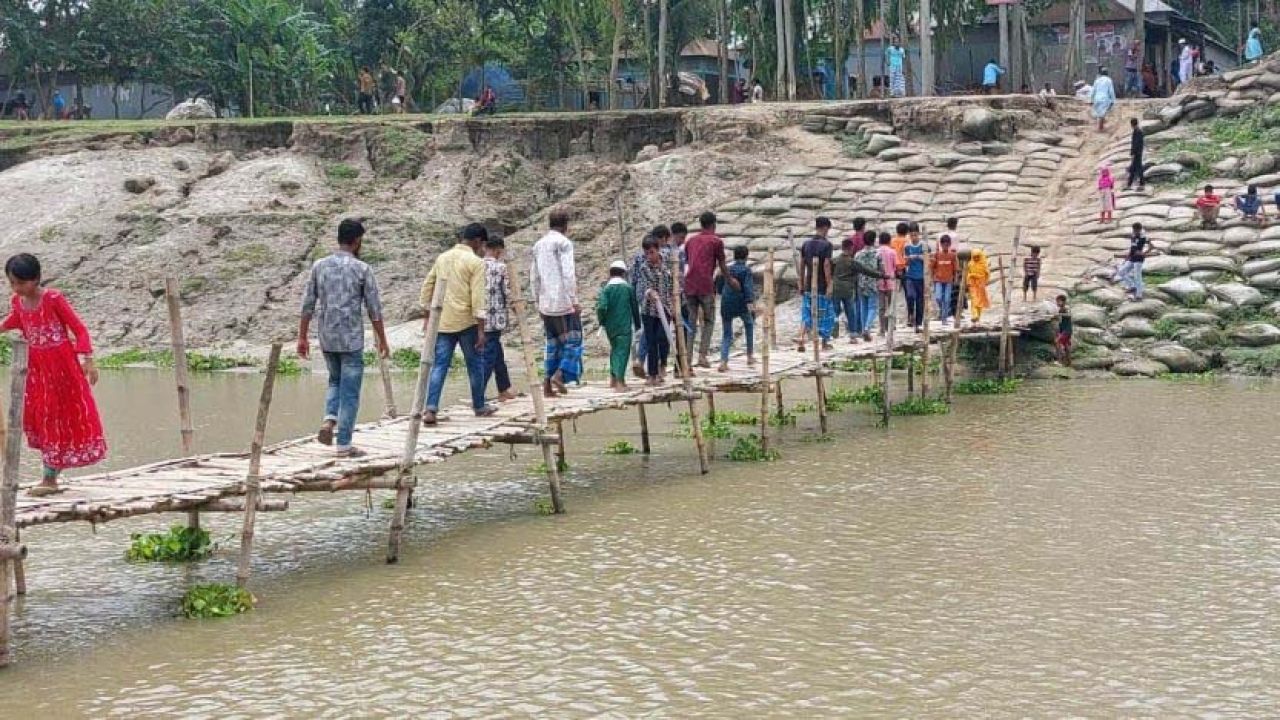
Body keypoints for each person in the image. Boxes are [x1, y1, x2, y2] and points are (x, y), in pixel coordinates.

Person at [2, 254, 106, 496]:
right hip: (37, 371)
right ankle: (50, 476)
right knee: (43, 418)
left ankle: (49, 479)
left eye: (21, 283)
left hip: (62, 369)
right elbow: (15, 320)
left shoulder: (53, 299)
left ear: (36, 279)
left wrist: (88, 360)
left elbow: (79, 329)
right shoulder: (18, 302)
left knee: (60, 418)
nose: (17, 288)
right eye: (12, 283)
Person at [299, 219, 389, 457]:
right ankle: (344, 444)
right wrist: (382, 339)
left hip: (327, 337)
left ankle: (329, 419)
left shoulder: (319, 266)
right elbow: (374, 310)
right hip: (351, 340)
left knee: (334, 381)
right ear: (357, 240)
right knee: (349, 392)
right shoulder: (362, 269)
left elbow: (307, 304)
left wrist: (302, 338)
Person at [420, 223, 494, 425]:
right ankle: (479, 406)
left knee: (440, 365)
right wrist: (481, 328)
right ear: (478, 241)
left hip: (443, 321)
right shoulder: (476, 262)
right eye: (482, 244)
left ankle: (431, 408)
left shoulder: (442, 258)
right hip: (467, 322)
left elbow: (428, 285)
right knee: (475, 365)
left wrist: (427, 313)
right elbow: (478, 298)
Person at [531, 210, 582, 396]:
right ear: (565, 225)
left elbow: (534, 277)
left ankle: (547, 385)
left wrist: (537, 301)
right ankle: (560, 376)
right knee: (574, 341)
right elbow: (568, 273)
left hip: (546, 302)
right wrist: (574, 300)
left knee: (552, 344)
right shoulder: (564, 243)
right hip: (562, 301)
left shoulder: (538, 245)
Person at [683, 211, 736, 368]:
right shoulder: (716, 241)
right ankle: (702, 356)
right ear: (714, 224)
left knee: (690, 323)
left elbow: (688, 262)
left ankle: (687, 359)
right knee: (709, 320)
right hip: (705, 285)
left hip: (689, 285)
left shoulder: (690, 241)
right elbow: (722, 264)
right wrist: (730, 280)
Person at [630, 225, 671, 377]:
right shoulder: (643, 267)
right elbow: (640, 283)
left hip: (665, 307)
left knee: (663, 336)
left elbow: (674, 282)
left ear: (658, 249)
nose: (649, 256)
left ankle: (663, 364)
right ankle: (652, 374)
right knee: (651, 340)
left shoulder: (668, 261)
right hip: (648, 308)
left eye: (652, 252)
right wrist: (646, 294)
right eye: (646, 253)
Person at [481, 235, 517, 403]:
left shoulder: (476, 266)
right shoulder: (501, 268)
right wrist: (516, 307)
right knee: (490, 354)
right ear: (498, 250)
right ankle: (478, 391)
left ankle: (504, 388)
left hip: (480, 317)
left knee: (496, 352)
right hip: (496, 318)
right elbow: (507, 291)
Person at [596, 260, 640, 391]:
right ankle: (620, 382)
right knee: (622, 352)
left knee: (614, 350)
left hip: (610, 327)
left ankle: (613, 379)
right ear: (623, 273)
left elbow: (601, 307)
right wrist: (637, 324)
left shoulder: (606, 289)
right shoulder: (627, 288)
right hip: (624, 326)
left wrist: (602, 321)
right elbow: (634, 307)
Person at [798, 217, 836, 351]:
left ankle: (801, 338)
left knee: (806, 312)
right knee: (826, 313)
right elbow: (826, 265)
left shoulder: (806, 244)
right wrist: (829, 284)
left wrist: (801, 283)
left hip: (809, 284)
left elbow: (802, 265)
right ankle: (824, 342)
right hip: (821, 286)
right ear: (825, 227)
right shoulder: (827, 245)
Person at [718, 245, 755, 371]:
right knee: (749, 324)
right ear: (746, 256)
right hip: (740, 303)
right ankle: (750, 355)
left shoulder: (727, 270)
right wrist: (750, 302)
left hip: (726, 302)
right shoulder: (746, 271)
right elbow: (748, 288)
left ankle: (723, 361)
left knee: (727, 334)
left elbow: (719, 285)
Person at [853, 230, 886, 341]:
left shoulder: (858, 254)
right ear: (874, 240)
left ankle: (863, 330)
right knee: (873, 307)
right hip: (872, 283)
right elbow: (882, 269)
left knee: (863, 307)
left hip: (861, 283)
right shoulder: (877, 254)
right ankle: (867, 328)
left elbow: (855, 269)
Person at [832, 238, 860, 341]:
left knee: (835, 310)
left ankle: (834, 326)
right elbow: (866, 270)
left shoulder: (835, 260)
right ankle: (852, 334)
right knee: (850, 312)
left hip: (836, 288)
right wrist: (882, 275)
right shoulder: (852, 262)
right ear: (851, 248)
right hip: (848, 290)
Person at [1115, 222, 1152, 300]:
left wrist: (1144, 253)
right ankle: (1132, 286)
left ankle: (1139, 295)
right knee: (1121, 271)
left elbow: (1152, 246)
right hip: (1132, 257)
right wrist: (1127, 257)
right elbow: (1132, 248)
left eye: (1137, 230)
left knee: (1137, 276)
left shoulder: (1144, 237)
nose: (1135, 232)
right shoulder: (1133, 236)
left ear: (1140, 229)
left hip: (1139, 259)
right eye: (1134, 230)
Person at [930, 235, 958, 326]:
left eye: (947, 244)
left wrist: (955, 278)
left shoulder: (952, 255)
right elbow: (932, 267)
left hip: (949, 280)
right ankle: (942, 310)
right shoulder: (937, 255)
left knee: (946, 299)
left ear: (949, 244)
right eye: (943, 244)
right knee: (938, 297)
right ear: (941, 244)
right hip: (938, 280)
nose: (945, 246)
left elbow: (955, 269)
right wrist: (931, 277)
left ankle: (944, 318)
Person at [875, 232, 899, 334]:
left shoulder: (876, 252)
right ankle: (891, 325)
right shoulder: (892, 252)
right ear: (889, 241)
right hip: (891, 280)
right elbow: (896, 266)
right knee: (891, 305)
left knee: (881, 307)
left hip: (880, 281)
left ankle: (882, 328)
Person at [903, 230, 927, 331]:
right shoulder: (907, 247)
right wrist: (908, 259)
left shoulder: (924, 246)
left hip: (921, 276)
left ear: (919, 235)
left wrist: (918, 256)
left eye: (915, 235)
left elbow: (927, 259)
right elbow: (906, 261)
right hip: (910, 275)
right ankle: (911, 315)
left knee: (920, 301)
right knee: (910, 296)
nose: (914, 237)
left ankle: (918, 323)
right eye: (911, 235)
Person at [965, 248, 991, 324]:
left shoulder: (984, 264)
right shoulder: (970, 264)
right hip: (973, 284)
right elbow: (968, 274)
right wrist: (968, 281)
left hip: (981, 284)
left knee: (980, 301)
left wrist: (985, 282)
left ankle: (978, 317)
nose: (976, 258)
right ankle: (974, 315)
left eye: (977, 257)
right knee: (974, 299)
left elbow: (987, 274)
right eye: (974, 257)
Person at [1125, 118, 1145, 191]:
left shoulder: (1138, 132)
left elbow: (1135, 144)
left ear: (1132, 124)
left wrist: (1133, 153)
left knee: (1138, 169)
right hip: (1138, 153)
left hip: (1137, 154)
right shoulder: (1137, 131)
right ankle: (1129, 184)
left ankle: (1141, 184)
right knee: (1133, 169)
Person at [1054, 294, 1073, 367]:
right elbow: (1060, 321)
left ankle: (1060, 361)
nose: (1057, 303)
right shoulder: (1060, 310)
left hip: (1067, 330)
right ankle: (1069, 362)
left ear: (1063, 302)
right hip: (1063, 330)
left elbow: (1069, 315)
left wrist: (1060, 315)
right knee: (1066, 346)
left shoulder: (1066, 308)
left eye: (1059, 301)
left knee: (1057, 342)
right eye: (1057, 302)